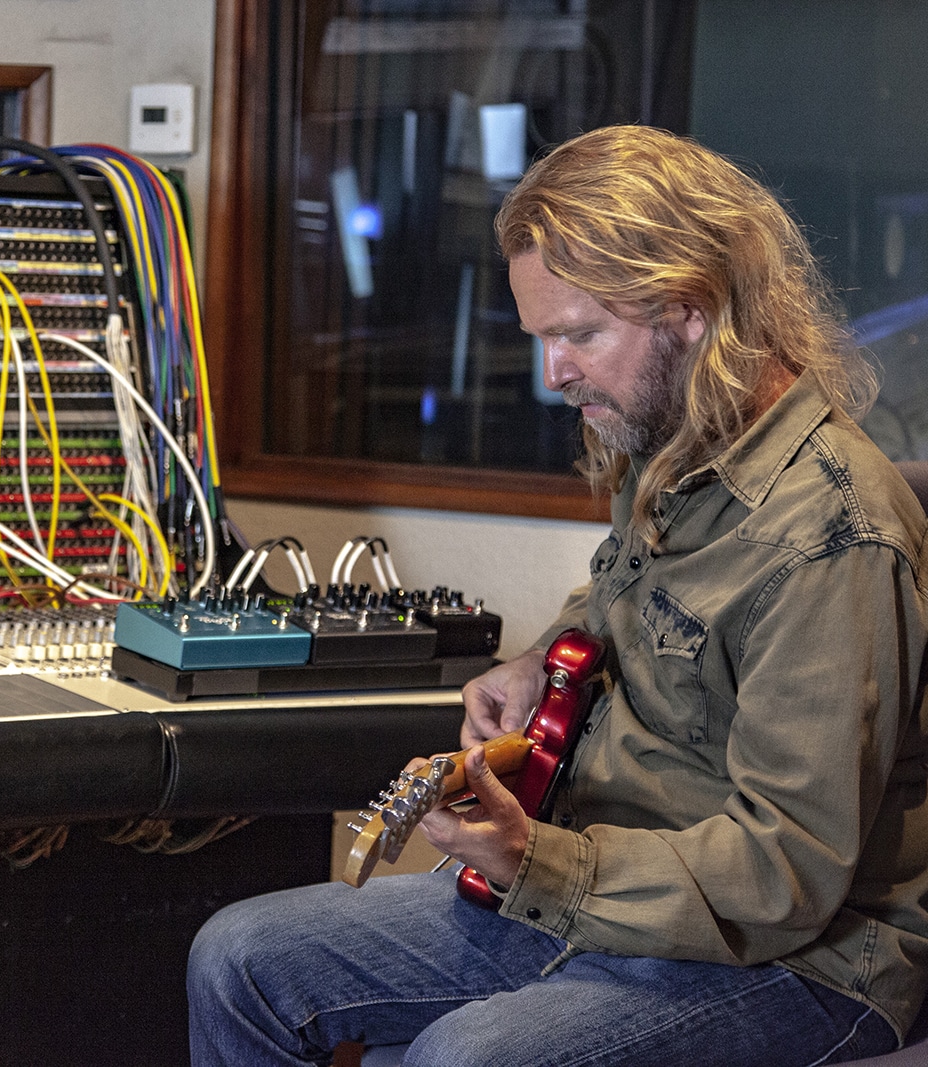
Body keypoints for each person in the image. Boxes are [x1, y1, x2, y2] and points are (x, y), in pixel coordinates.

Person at [187, 125, 928, 1067]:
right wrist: (543, 657)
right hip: (622, 878)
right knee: (241, 959)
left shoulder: (833, 535)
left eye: (580, 334)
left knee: (469, 1057)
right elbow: (628, 603)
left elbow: (787, 872)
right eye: (541, 338)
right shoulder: (676, 438)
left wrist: (535, 863)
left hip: (811, 957)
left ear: (691, 310)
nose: (554, 375)